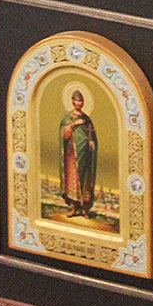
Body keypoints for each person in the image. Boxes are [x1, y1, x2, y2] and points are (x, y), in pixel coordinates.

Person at [59, 88, 98, 217]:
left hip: (85, 154)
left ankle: (85, 210)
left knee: (85, 180)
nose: (79, 103)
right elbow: (63, 134)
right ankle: (74, 208)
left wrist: (91, 142)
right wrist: (74, 124)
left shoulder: (87, 119)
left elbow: (92, 135)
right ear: (72, 101)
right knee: (72, 180)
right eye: (77, 100)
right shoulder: (68, 118)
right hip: (72, 154)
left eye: (81, 100)